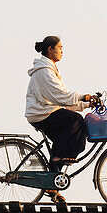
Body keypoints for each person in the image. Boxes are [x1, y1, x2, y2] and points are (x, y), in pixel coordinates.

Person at [25, 36, 98, 175]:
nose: (62, 51)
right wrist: (82, 96)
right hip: (41, 113)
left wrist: (86, 104)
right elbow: (61, 95)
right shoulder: (44, 71)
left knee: (62, 140)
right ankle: (59, 157)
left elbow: (63, 101)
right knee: (75, 120)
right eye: (60, 48)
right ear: (50, 49)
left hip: (45, 111)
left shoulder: (49, 69)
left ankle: (52, 182)